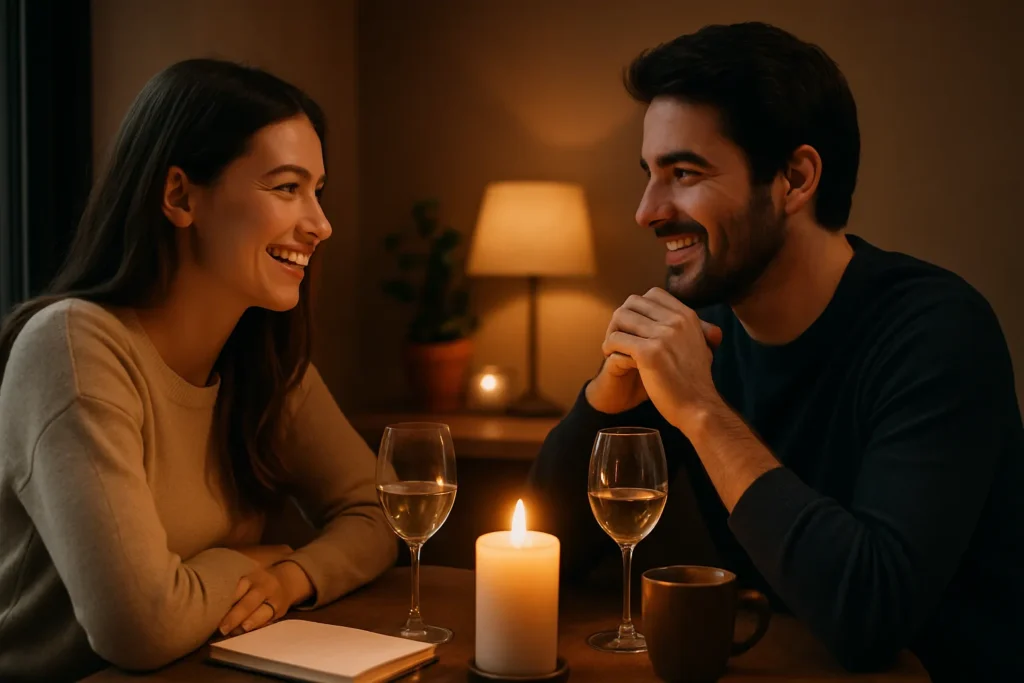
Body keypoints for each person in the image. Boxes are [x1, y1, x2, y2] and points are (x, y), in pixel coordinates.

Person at [526, 22, 1024, 682]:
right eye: (649, 175)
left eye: (683, 173)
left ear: (795, 177)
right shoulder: (697, 332)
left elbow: (871, 616)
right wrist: (602, 404)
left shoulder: (937, 332)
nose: (647, 210)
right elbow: (543, 561)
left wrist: (702, 411)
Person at [0, 59, 397, 682]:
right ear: (180, 196)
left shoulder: (261, 356)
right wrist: (249, 558)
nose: (320, 225)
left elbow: (381, 512)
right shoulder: (73, 347)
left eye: (317, 191)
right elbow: (139, 627)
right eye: (286, 188)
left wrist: (291, 575)